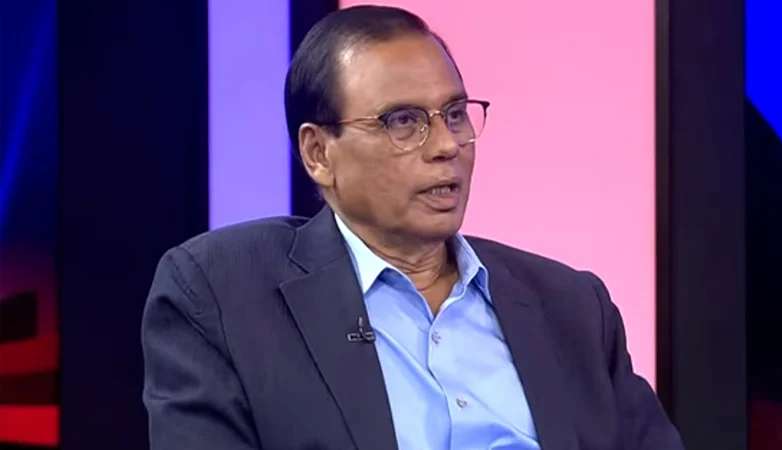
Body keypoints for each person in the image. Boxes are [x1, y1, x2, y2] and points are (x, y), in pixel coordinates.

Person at [141, 5, 684, 450]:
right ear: (318, 153)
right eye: (403, 121)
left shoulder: (572, 307)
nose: (446, 145)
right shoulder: (222, 294)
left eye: (455, 114)